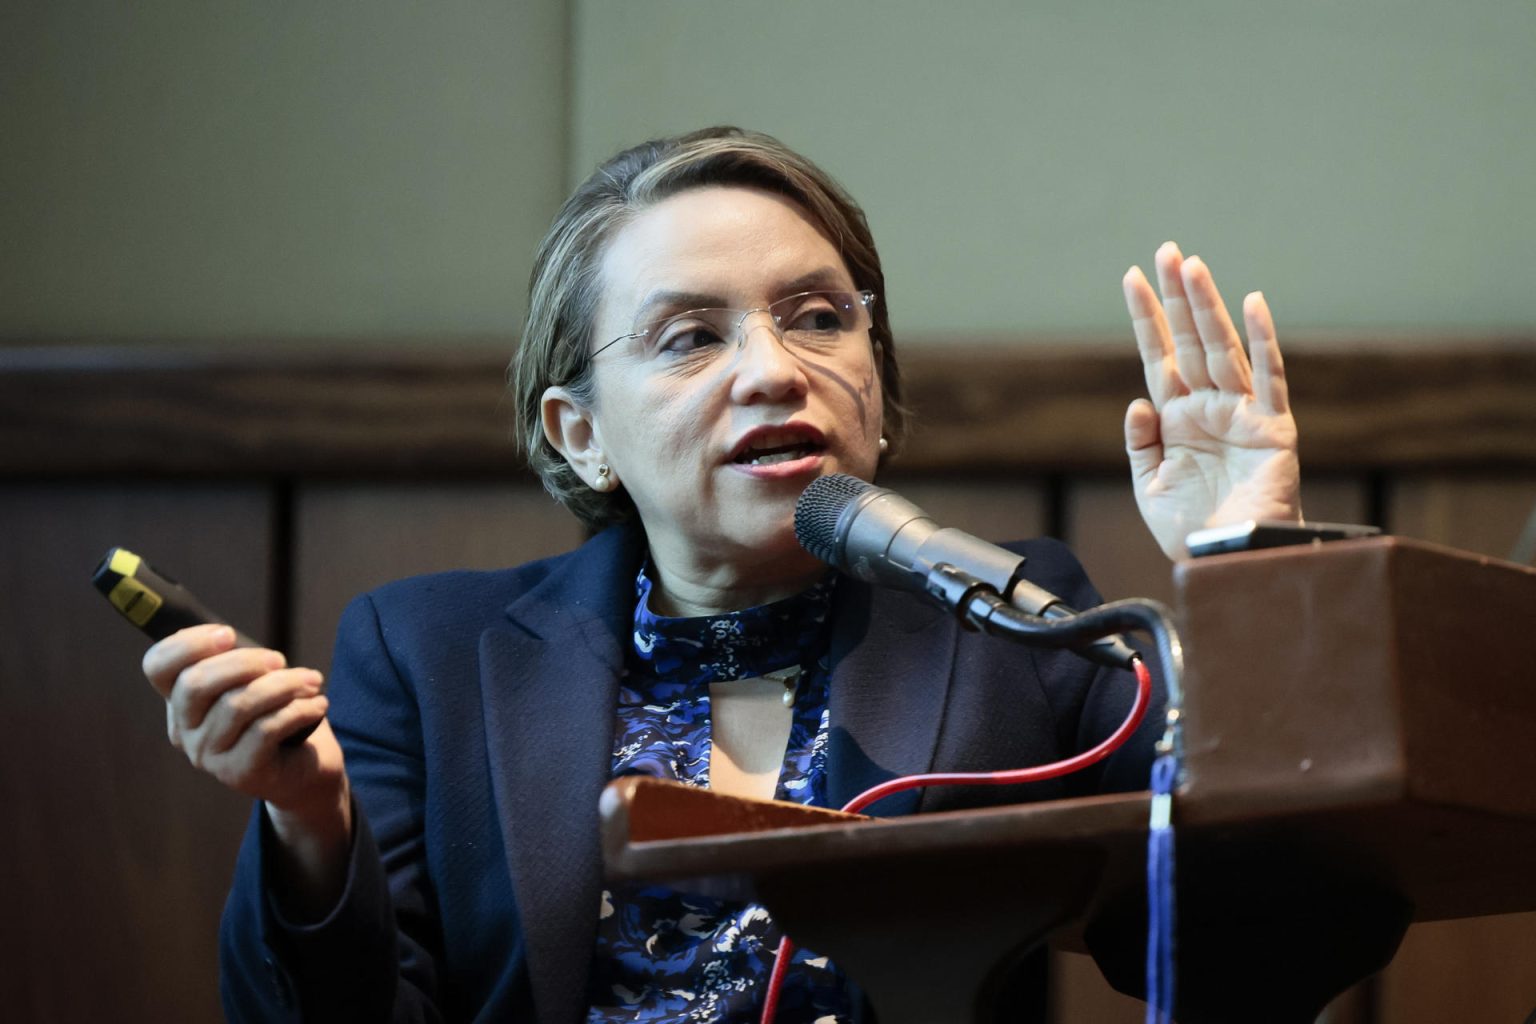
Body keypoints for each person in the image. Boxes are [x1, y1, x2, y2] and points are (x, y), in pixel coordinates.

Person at [143, 126, 1301, 1023]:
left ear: (879, 380)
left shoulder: (1009, 620)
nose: (774, 371)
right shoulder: (426, 654)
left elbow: (1259, 948)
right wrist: (308, 821)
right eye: (691, 336)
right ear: (579, 429)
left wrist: (1242, 564)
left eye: (817, 318)